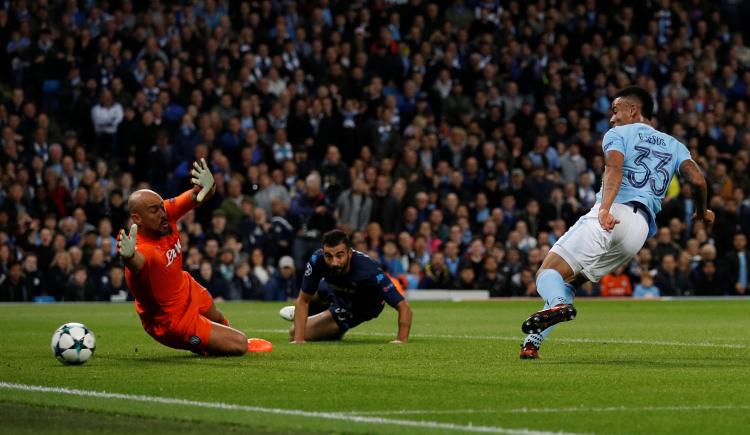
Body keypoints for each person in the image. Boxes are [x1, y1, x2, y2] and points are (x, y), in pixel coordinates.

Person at [519, 86, 714, 359]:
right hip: (640, 231)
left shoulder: (618, 134)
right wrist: (702, 211)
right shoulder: (675, 145)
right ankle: (532, 343)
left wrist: (604, 209)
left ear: (633, 110)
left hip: (613, 214)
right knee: (570, 282)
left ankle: (559, 305)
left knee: (546, 272)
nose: (611, 118)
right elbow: (698, 180)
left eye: (615, 110)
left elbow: (614, 167)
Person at [117, 158, 272, 356]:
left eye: (161, 206)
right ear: (137, 219)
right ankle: (207, 345)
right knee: (240, 344)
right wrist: (128, 257)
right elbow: (137, 263)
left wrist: (210, 185)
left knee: (218, 317)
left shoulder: (165, 213)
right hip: (170, 320)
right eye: (154, 210)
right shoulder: (139, 247)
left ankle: (214, 341)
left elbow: (199, 195)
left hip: (186, 288)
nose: (162, 213)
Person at [284, 229, 412, 343]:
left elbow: (404, 307)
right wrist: (299, 341)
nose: (334, 262)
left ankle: (331, 324)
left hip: (357, 307)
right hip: (333, 289)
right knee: (312, 295)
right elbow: (303, 299)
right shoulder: (317, 260)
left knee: (293, 332)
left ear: (349, 253)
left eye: (339, 256)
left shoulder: (368, 271)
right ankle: (312, 316)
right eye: (328, 256)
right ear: (323, 253)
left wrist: (401, 340)